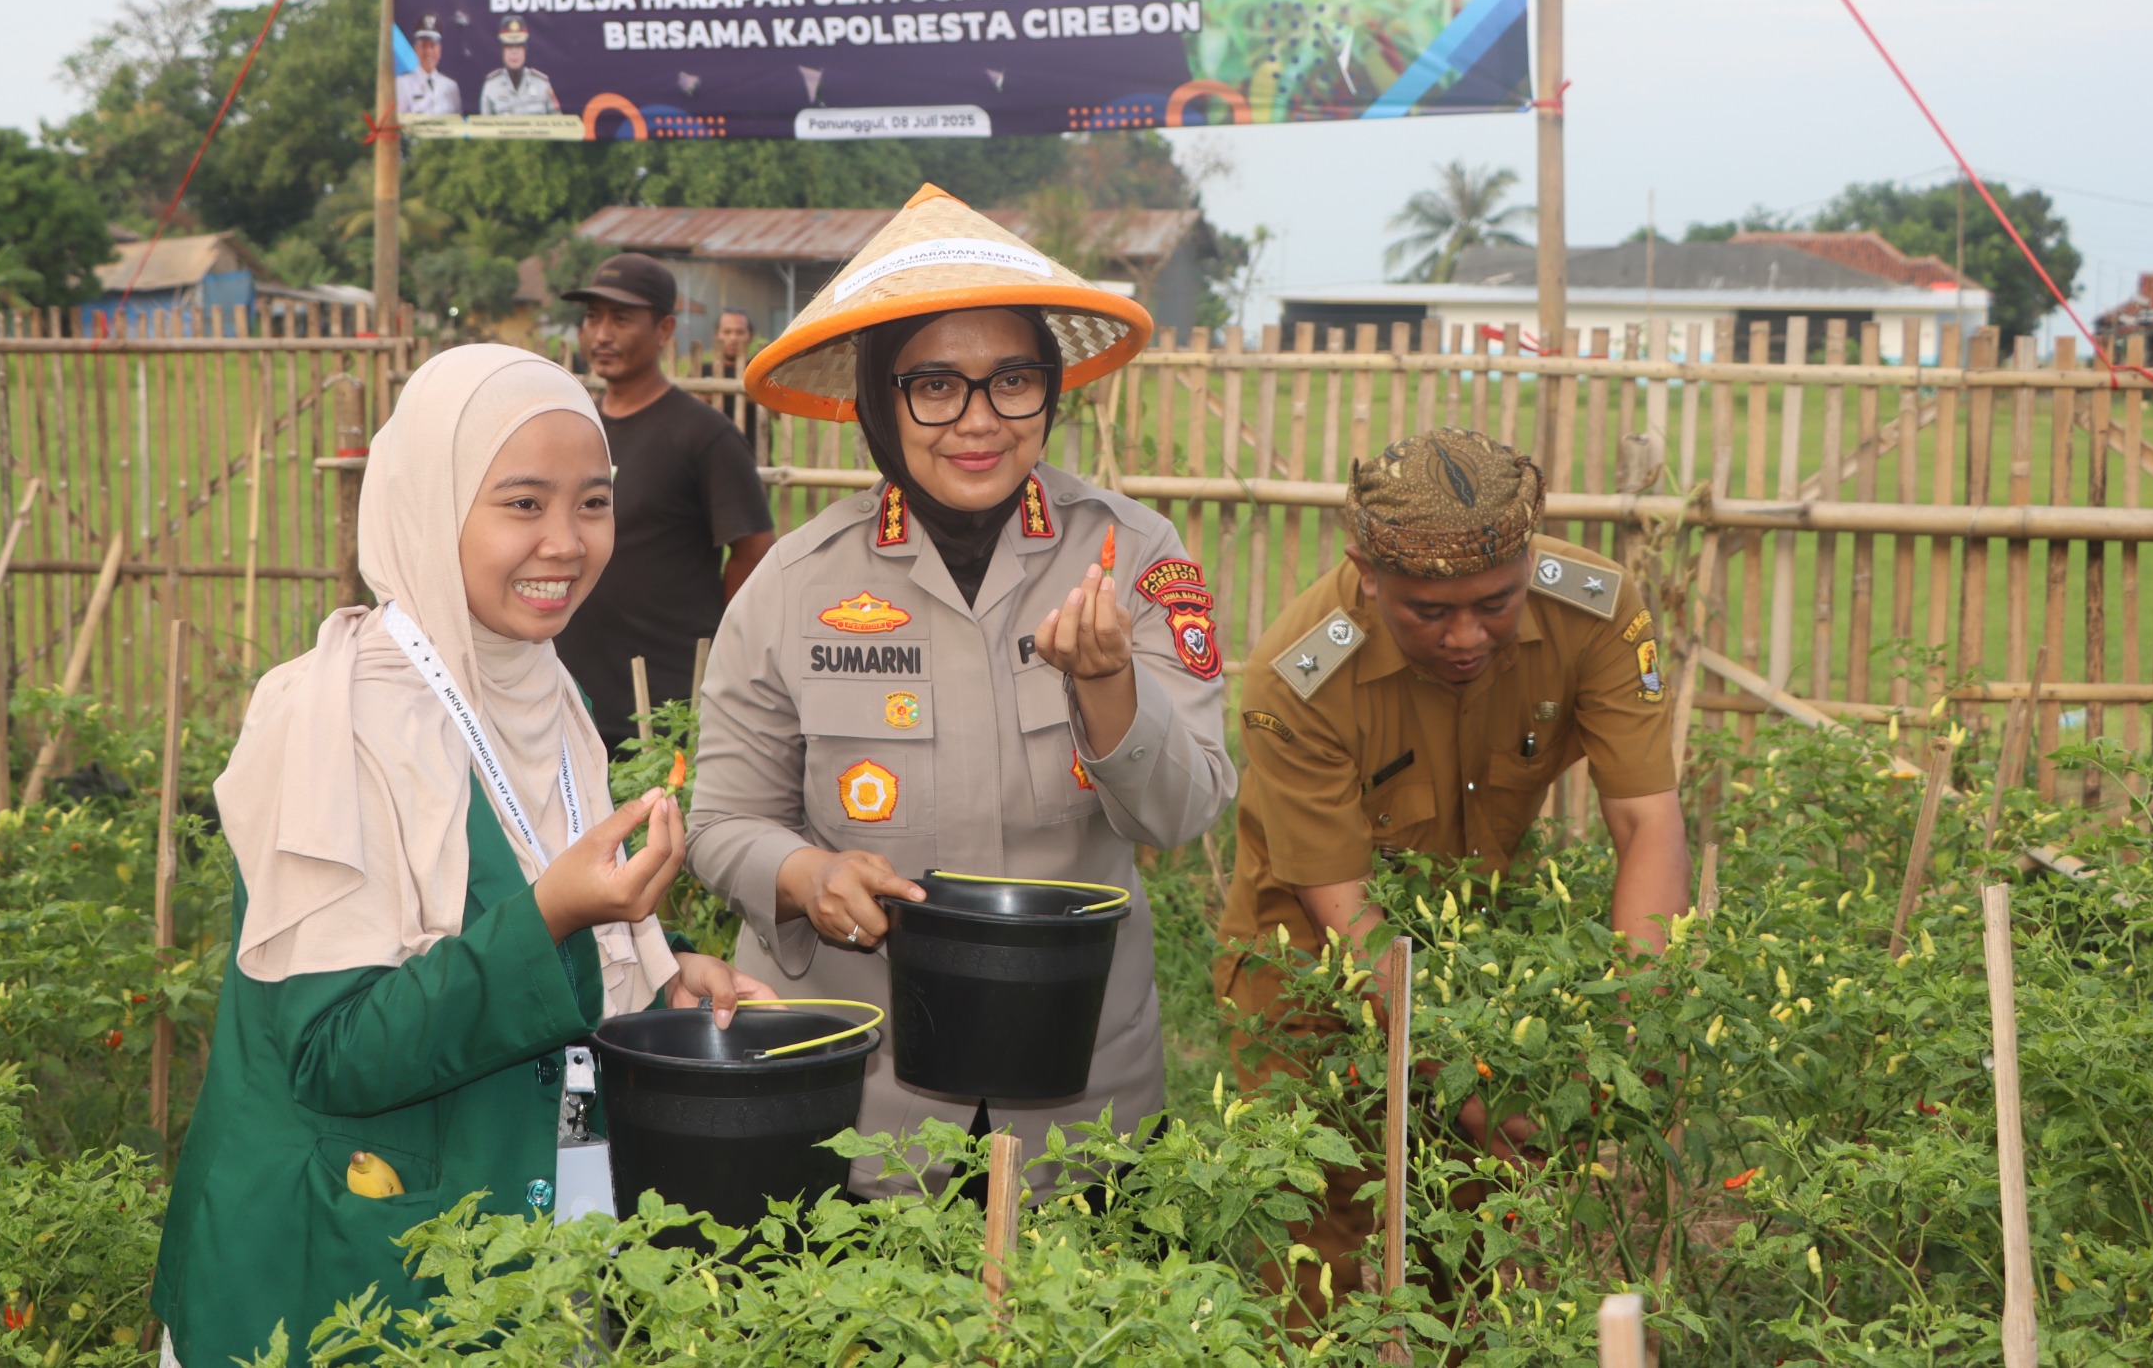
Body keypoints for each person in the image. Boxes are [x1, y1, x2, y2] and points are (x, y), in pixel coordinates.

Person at [150, 345, 768, 1367]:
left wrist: (660, 968)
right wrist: (555, 919)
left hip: (506, 1217)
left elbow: (517, 897)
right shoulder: (336, 712)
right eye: (522, 503)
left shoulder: (540, 686)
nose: (566, 542)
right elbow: (331, 1049)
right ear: (429, 502)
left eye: (594, 502)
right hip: (336, 1269)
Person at [686, 183, 1237, 1196]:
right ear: (876, 401)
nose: (978, 421)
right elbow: (721, 820)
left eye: (1011, 381)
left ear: (1051, 389)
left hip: (1085, 1098)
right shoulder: (794, 583)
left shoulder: (1137, 555)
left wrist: (1109, 681)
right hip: (856, 1095)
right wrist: (805, 876)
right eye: (933, 386)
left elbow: (1186, 807)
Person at [1215, 426, 1690, 1308]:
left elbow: (1646, 820)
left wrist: (1635, 1032)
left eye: (1496, 604)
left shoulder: (1596, 610)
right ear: (1365, 568)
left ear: (1528, 560)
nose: (1467, 636)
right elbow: (1349, 912)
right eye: (1428, 613)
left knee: (1474, 1244)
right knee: (1322, 1234)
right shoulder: (1297, 676)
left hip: (1474, 947)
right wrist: (1470, 1082)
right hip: (1309, 962)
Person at [553, 253, 774, 752]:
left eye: (621, 318)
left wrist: (722, 650)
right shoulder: (575, 430)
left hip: (664, 701)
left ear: (664, 329)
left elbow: (753, 550)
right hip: (570, 691)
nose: (601, 335)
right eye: (592, 318)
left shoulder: (703, 435)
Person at [478, 17, 560, 115]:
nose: (514, 52)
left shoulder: (542, 84)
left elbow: (557, 125)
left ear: (525, 50)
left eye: (519, 46)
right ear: (502, 51)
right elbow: (484, 128)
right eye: (509, 47)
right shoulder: (491, 86)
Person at [705, 307, 759, 449]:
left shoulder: (760, 371)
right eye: (727, 332)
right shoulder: (702, 372)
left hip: (755, 459)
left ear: (750, 336)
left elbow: (778, 413)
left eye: (740, 332)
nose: (733, 338)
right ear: (716, 335)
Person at [395, 13, 463, 116]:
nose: (428, 51)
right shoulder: (401, 84)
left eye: (432, 45)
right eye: (423, 46)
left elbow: (457, 126)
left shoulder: (451, 87)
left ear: (439, 50)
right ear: (416, 49)